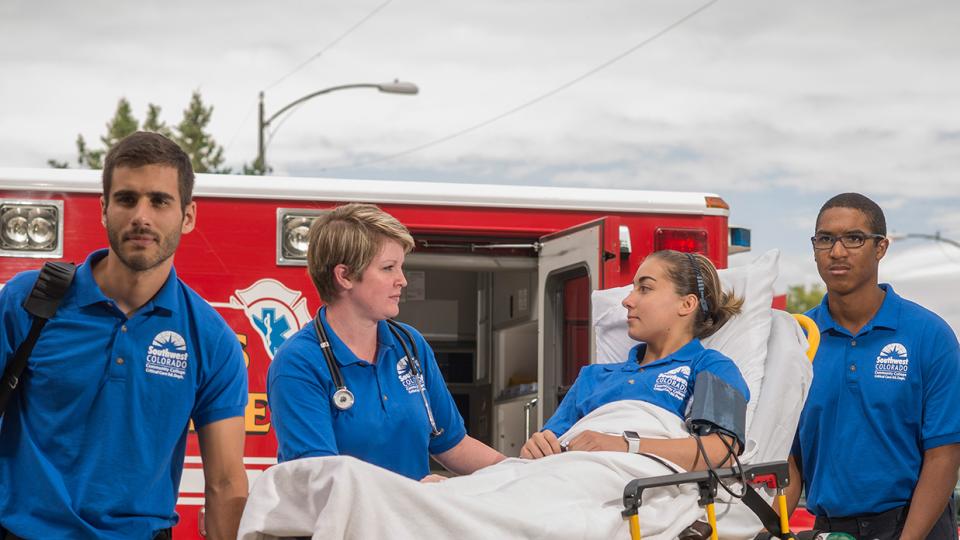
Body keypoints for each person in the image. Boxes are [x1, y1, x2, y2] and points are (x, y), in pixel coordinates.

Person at [0, 132, 249, 540]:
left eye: (160, 200)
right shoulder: (27, 300)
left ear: (188, 216)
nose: (141, 216)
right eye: (127, 199)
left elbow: (225, 483)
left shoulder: (212, 338)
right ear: (103, 209)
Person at [267, 203, 504, 482]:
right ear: (344, 276)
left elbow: (454, 445)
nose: (402, 280)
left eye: (400, 267)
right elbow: (320, 481)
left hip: (409, 522)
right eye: (388, 268)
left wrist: (521, 473)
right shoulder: (299, 363)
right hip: (339, 525)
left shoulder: (410, 345)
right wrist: (412, 492)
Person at [785, 193, 960, 539]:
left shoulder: (929, 335)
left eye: (854, 238)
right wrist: (767, 528)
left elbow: (944, 455)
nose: (837, 252)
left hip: (915, 526)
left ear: (880, 248)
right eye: (825, 239)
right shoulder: (796, 340)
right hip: (829, 529)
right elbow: (790, 458)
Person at [521, 249, 750, 472]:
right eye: (633, 289)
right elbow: (549, 446)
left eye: (645, 288)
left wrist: (624, 445)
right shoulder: (592, 376)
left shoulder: (710, 367)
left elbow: (721, 453)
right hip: (566, 476)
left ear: (687, 304)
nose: (627, 301)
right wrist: (536, 448)